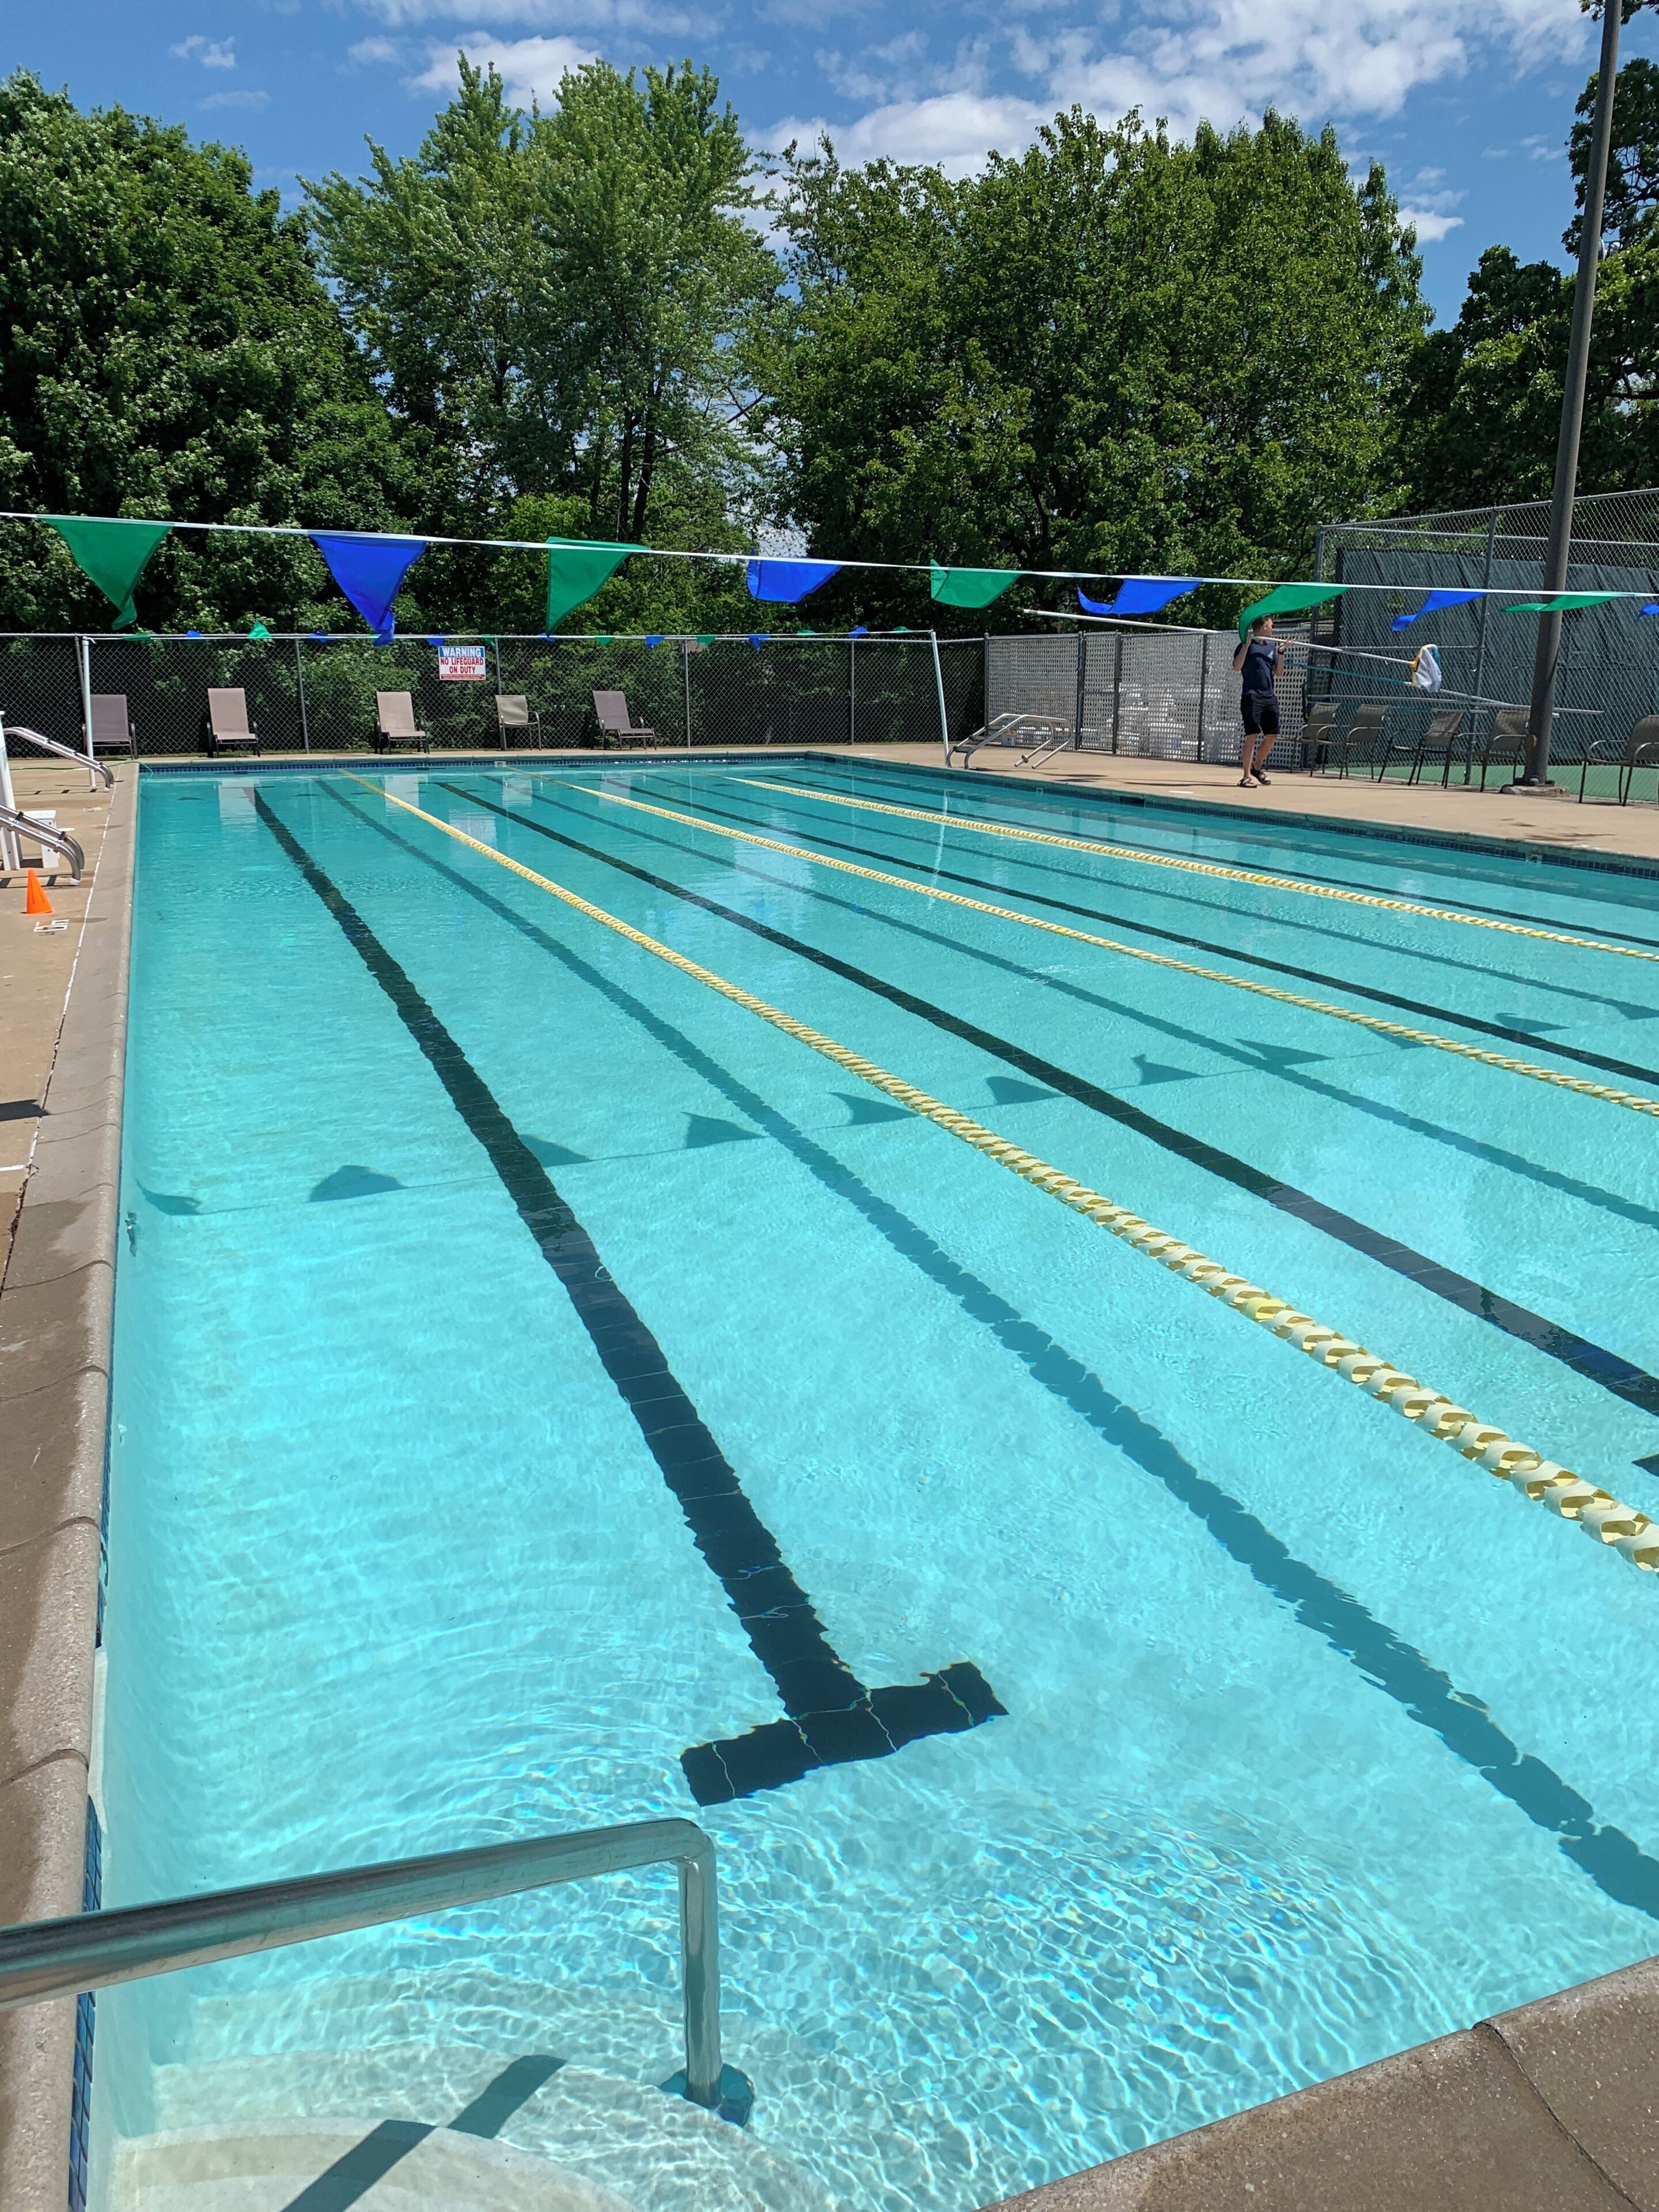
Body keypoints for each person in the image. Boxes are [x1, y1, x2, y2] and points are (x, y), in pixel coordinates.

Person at [1231, 615, 1282, 787]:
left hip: (1269, 696)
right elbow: (1237, 667)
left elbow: (1279, 672)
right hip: (1251, 696)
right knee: (1252, 735)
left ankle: (1257, 767)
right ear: (1263, 627)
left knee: (1272, 735)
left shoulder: (1271, 647)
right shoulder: (1246, 645)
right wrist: (1246, 646)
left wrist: (1281, 653)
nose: (1272, 628)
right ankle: (1246, 777)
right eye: (1271, 625)